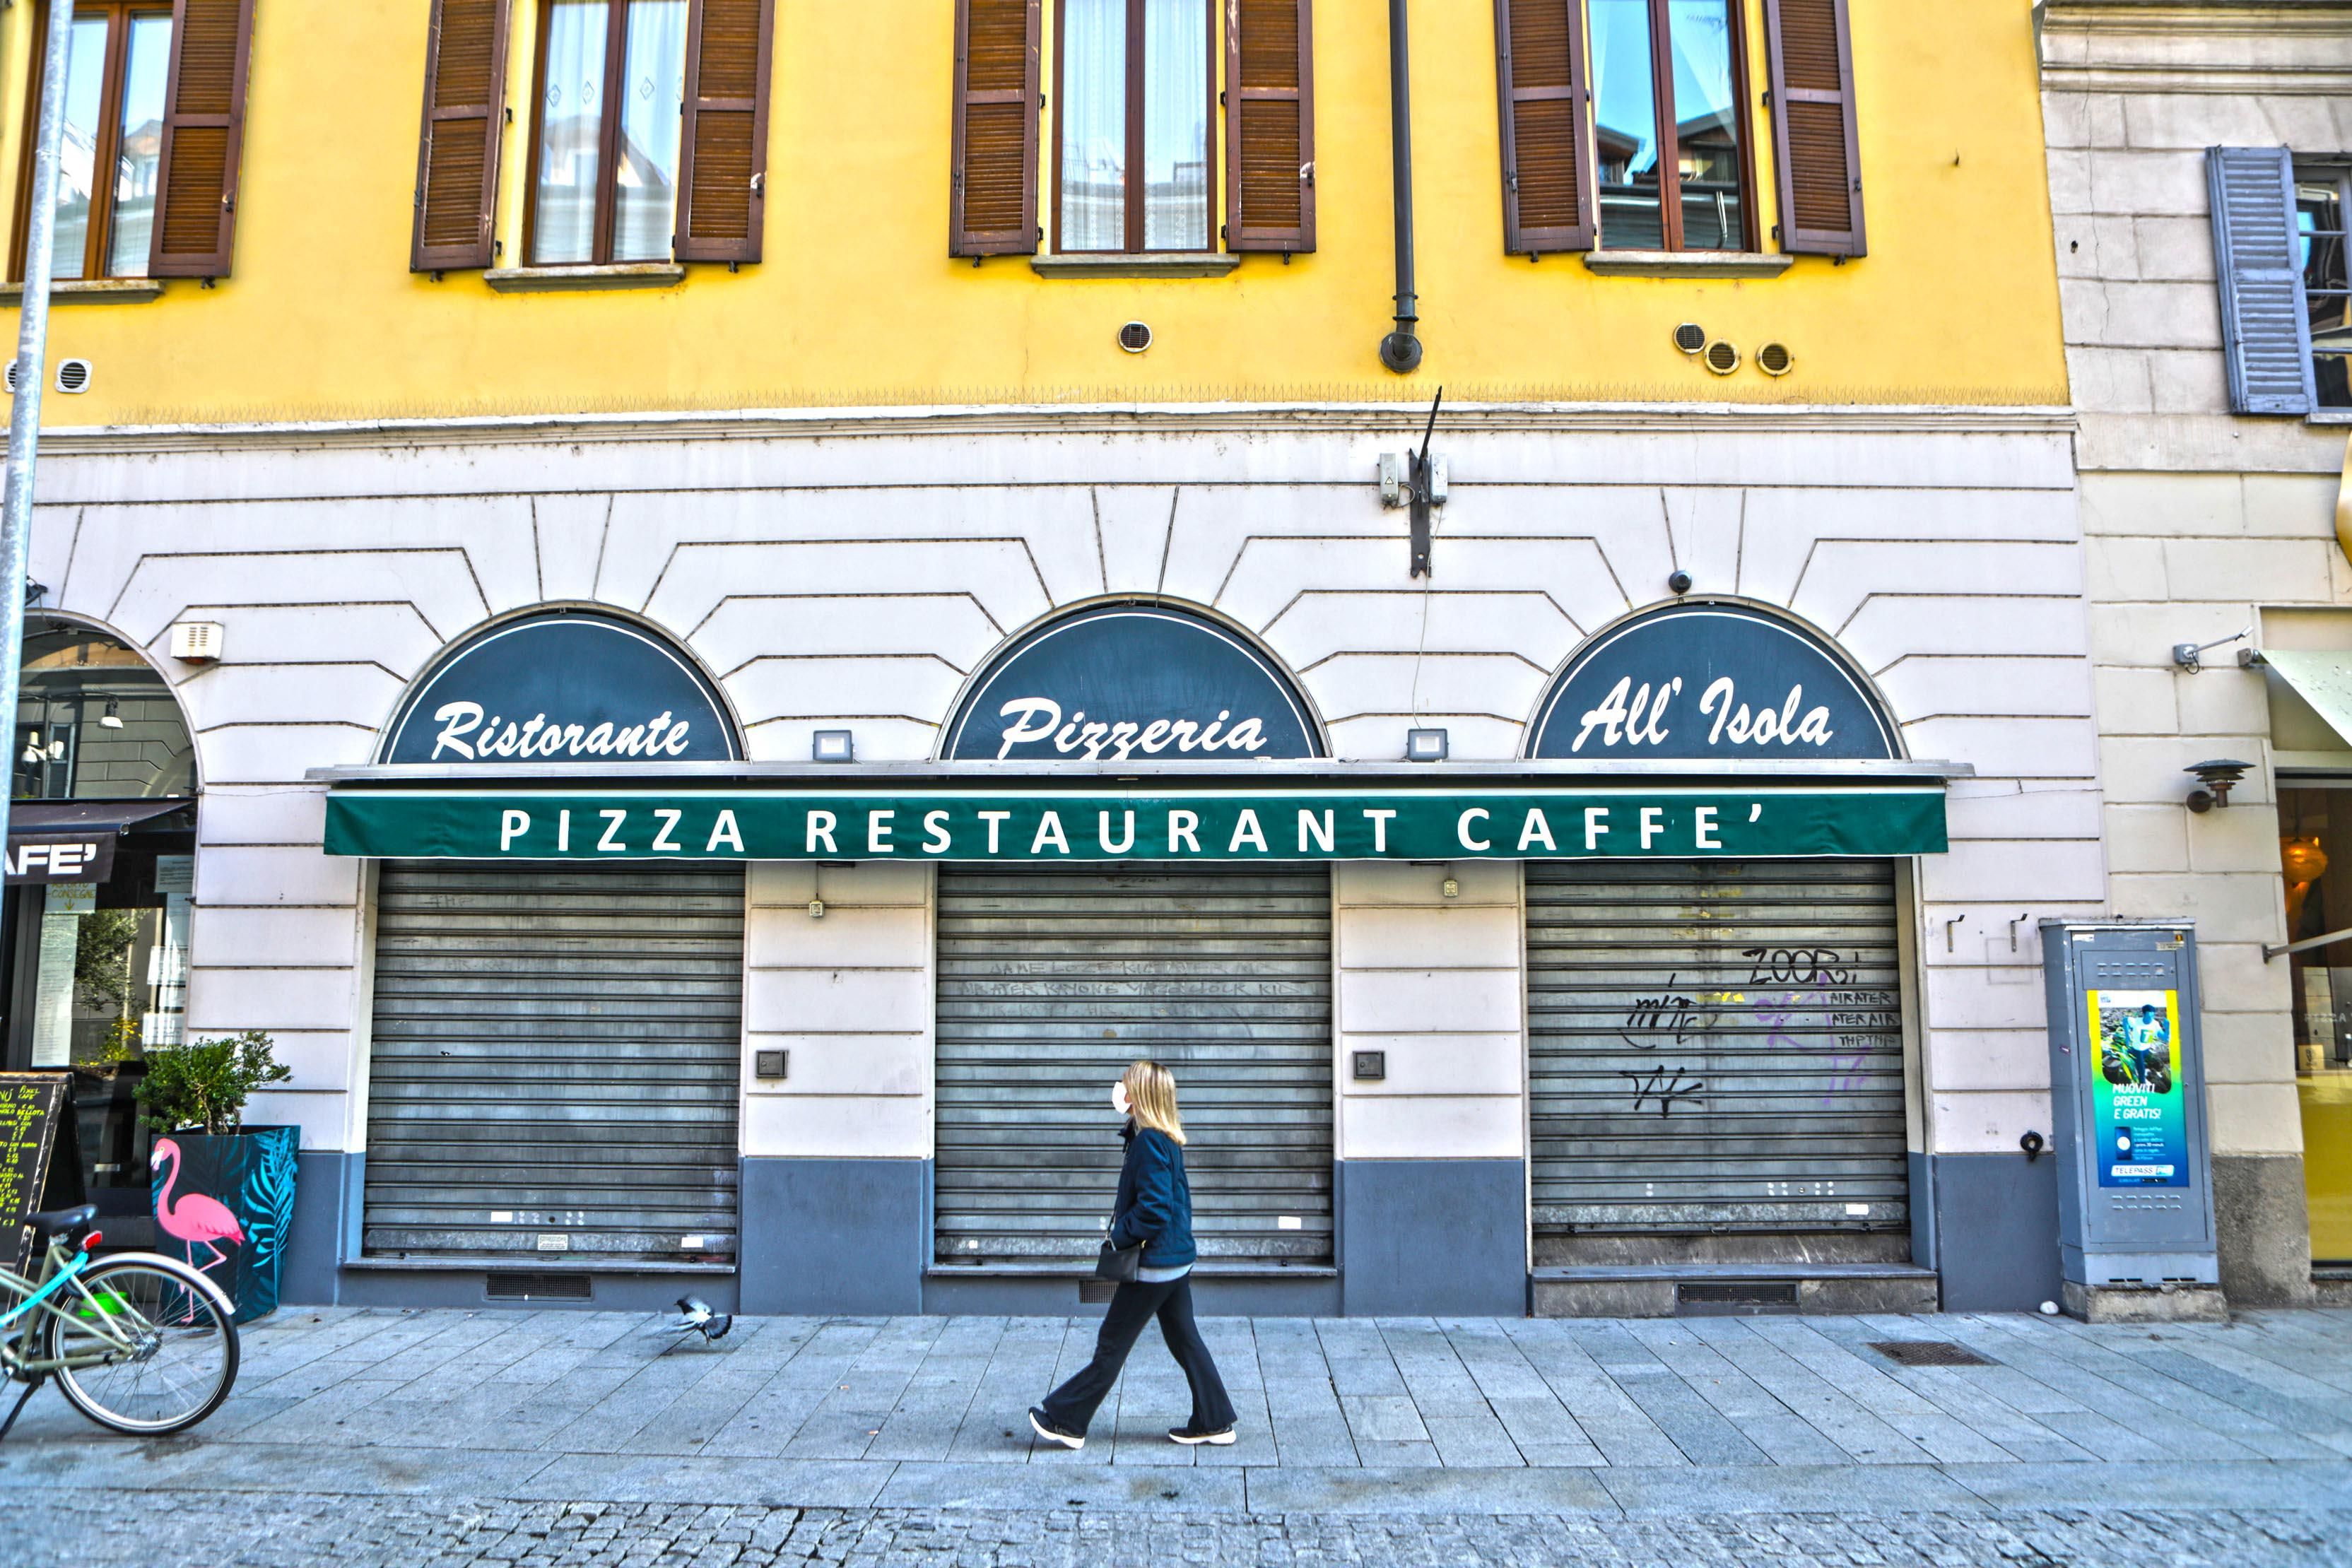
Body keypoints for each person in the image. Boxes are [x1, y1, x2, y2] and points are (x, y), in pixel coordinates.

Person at [1028, 1060, 1237, 1451]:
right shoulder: (1159, 1136)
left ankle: (1066, 1420)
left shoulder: (1150, 1142)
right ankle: (1216, 1420)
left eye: (1126, 1083)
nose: (1119, 1089)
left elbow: (1155, 1210)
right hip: (1174, 1260)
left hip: (1154, 1265)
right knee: (1185, 1339)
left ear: (1140, 1094)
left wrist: (1119, 1235)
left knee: (1111, 1343)